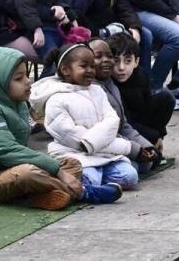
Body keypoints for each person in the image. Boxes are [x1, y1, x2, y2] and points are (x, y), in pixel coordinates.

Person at [0, 47, 122, 209]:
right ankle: (83, 192)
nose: (28, 81)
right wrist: (57, 171)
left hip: (9, 168)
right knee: (28, 173)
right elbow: (7, 150)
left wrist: (56, 167)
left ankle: (43, 196)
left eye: (26, 75)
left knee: (71, 163)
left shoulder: (17, 105)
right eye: (19, 78)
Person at [30, 44, 139, 190]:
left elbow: (112, 121)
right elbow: (73, 137)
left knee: (130, 176)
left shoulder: (97, 91)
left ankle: (93, 185)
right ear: (65, 70)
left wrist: (97, 142)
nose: (90, 71)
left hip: (104, 155)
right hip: (74, 155)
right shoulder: (55, 99)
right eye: (83, 66)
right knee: (90, 178)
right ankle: (90, 190)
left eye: (92, 66)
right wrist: (123, 146)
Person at [89, 38, 160, 172]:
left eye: (109, 56)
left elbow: (123, 125)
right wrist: (136, 150)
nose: (106, 60)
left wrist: (147, 146)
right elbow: (105, 134)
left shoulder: (111, 85)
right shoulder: (91, 90)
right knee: (129, 172)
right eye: (98, 57)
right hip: (94, 148)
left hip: (117, 142)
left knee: (150, 161)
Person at [107, 33, 173, 153]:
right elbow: (123, 123)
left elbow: (148, 107)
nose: (121, 67)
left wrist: (158, 135)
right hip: (122, 128)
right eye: (116, 61)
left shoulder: (141, 76)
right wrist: (153, 135)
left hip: (140, 121)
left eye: (127, 61)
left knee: (166, 98)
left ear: (136, 62)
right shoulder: (109, 85)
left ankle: (155, 144)